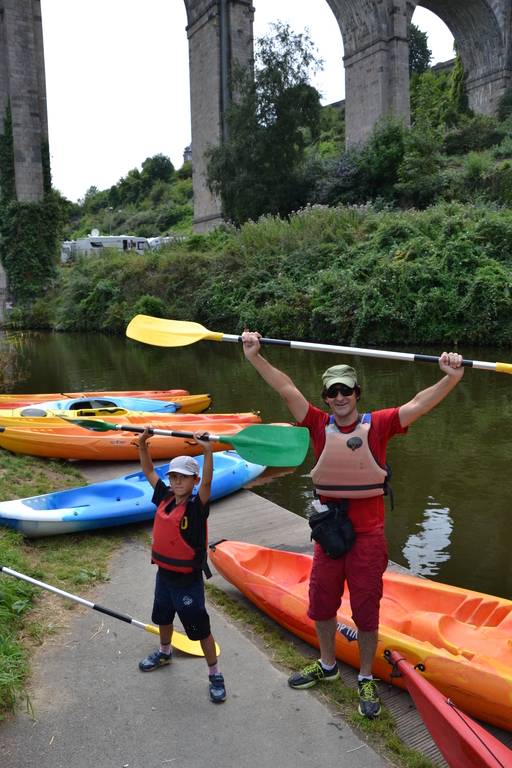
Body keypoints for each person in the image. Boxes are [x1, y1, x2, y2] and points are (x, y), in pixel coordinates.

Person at [242, 331, 464, 718]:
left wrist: (450, 378)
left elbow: (418, 404)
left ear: (357, 393)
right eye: (333, 392)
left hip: (367, 537)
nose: (340, 398)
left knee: (366, 612)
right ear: (326, 397)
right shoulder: (315, 423)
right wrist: (254, 356)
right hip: (330, 534)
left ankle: (364, 677)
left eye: (346, 391)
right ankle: (328, 667)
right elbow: (287, 388)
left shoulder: (378, 425)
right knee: (322, 605)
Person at [137, 426, 226, 703]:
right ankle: (165, 653)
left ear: (194, 481)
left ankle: (215, 673)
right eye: (173, 476)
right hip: (164, 576)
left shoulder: (197, 506)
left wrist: (208, 450)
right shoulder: (164, 497)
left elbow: (209, 484)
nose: (177, 482)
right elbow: (150, 472)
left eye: (183, 478)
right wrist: (143, 445)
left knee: (200, 628)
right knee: (163, 617)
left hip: (188, 581)